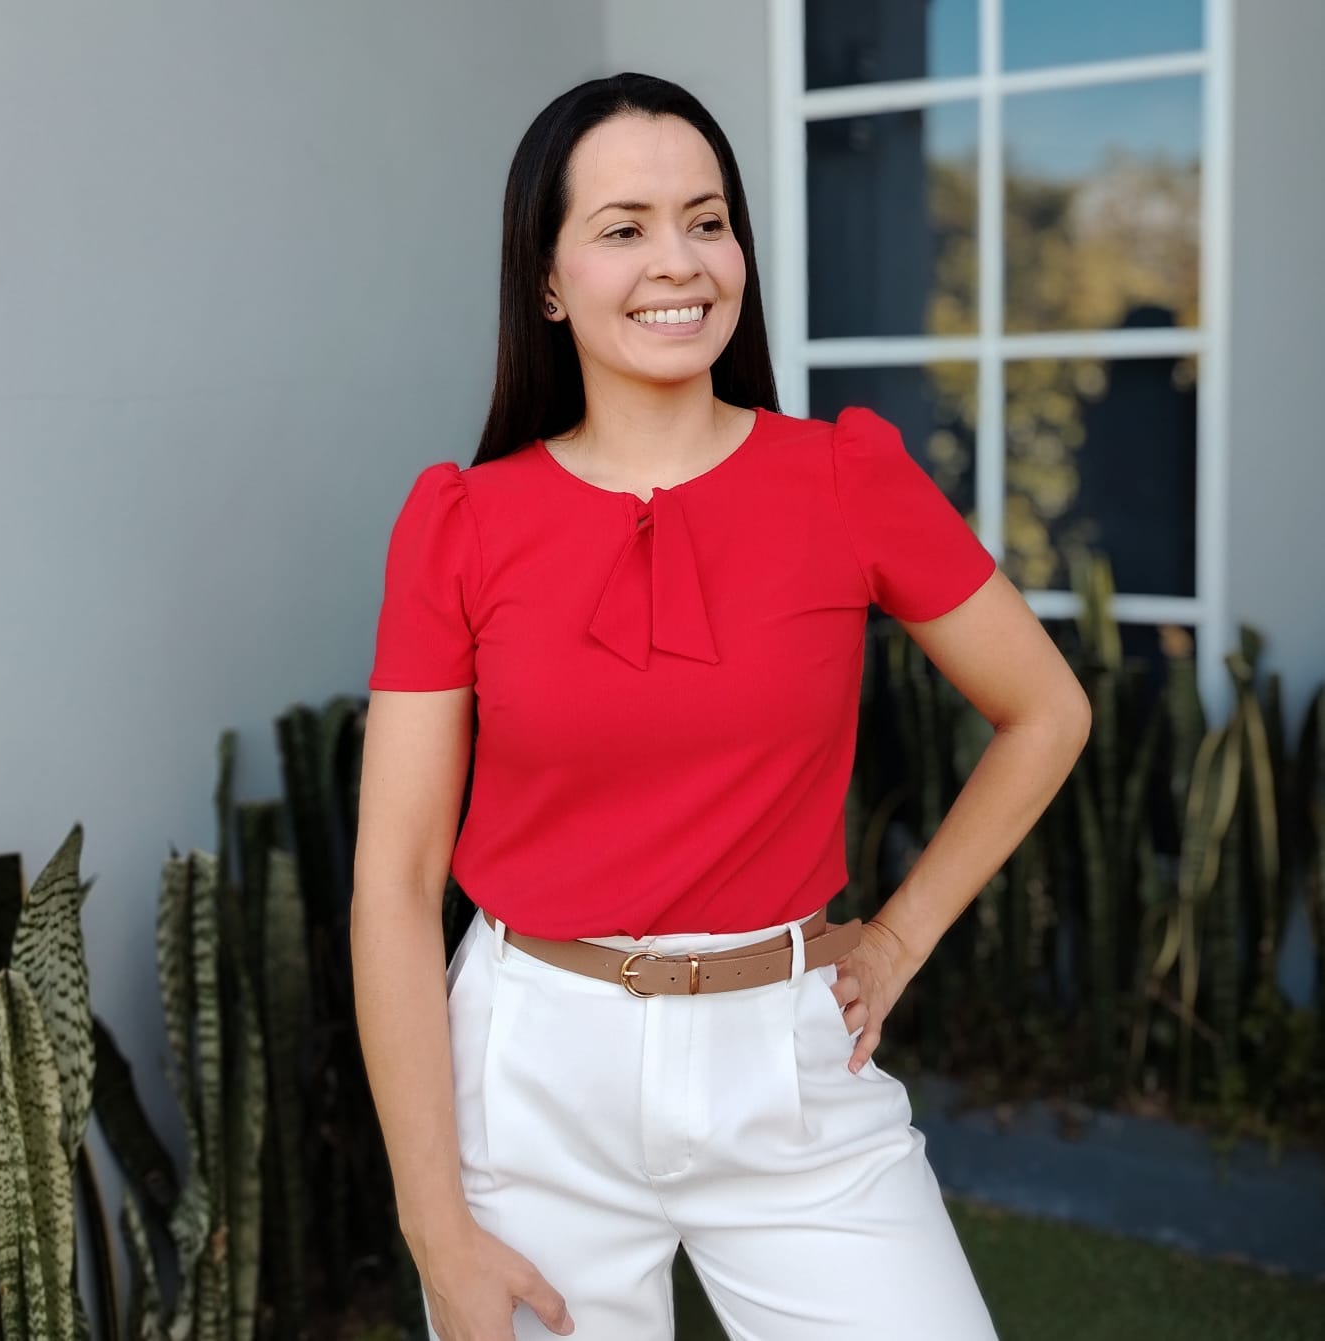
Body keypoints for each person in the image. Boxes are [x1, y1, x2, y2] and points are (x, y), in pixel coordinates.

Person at [351, 72, 1091, 1341]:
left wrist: (900, 939)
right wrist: (434, 1224)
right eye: (622, 227)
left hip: (790, 1068)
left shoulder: (845, 475)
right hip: (529, 1081)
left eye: (705, 220)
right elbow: (396, 878)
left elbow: (1045, 710)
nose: (676, 261)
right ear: (548, 278)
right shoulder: (459, 524)